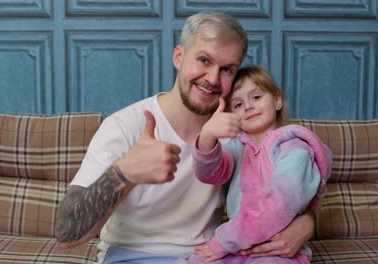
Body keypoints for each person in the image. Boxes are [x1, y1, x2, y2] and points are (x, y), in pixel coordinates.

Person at [55, 11, 316, 264]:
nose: (212, 78)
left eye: (227, 69)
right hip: (131, 255)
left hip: (208, 256)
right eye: (204, 60)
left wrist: (308, 224)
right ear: (179, 57)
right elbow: (67, 234)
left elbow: (285, 187)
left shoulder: (238, 131)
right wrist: (124, 173)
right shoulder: (124, 126)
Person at [177, 65, 332, 264]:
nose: (248, 106)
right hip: (237, 248)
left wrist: (223, 241)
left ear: (277, 100)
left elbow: (280, 201)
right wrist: (207, 136)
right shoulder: (236, 147)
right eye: (238, 104)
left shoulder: (295, 148)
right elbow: (210, 173)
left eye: (256, 97)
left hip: (276, 248)